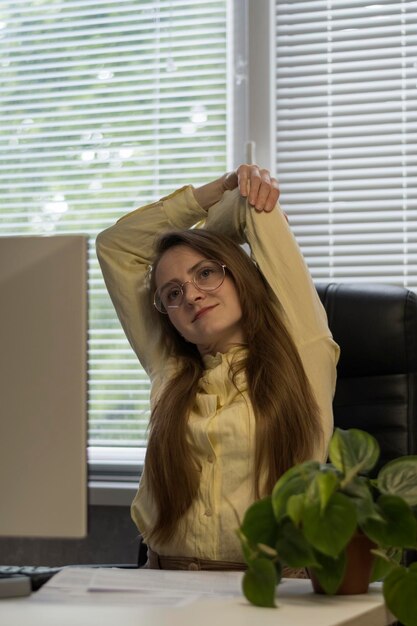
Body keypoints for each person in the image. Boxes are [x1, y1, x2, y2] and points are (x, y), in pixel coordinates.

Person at [96, 164, 340, 570]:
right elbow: (116, 247)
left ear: (238, 276)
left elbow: (253, 209)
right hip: (161, 587)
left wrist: (238, 191)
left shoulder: (304, 352)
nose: (191, 295)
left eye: (206, 273)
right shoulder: (170, 369)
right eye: (173, 293)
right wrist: (206, 196)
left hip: (268, 592)